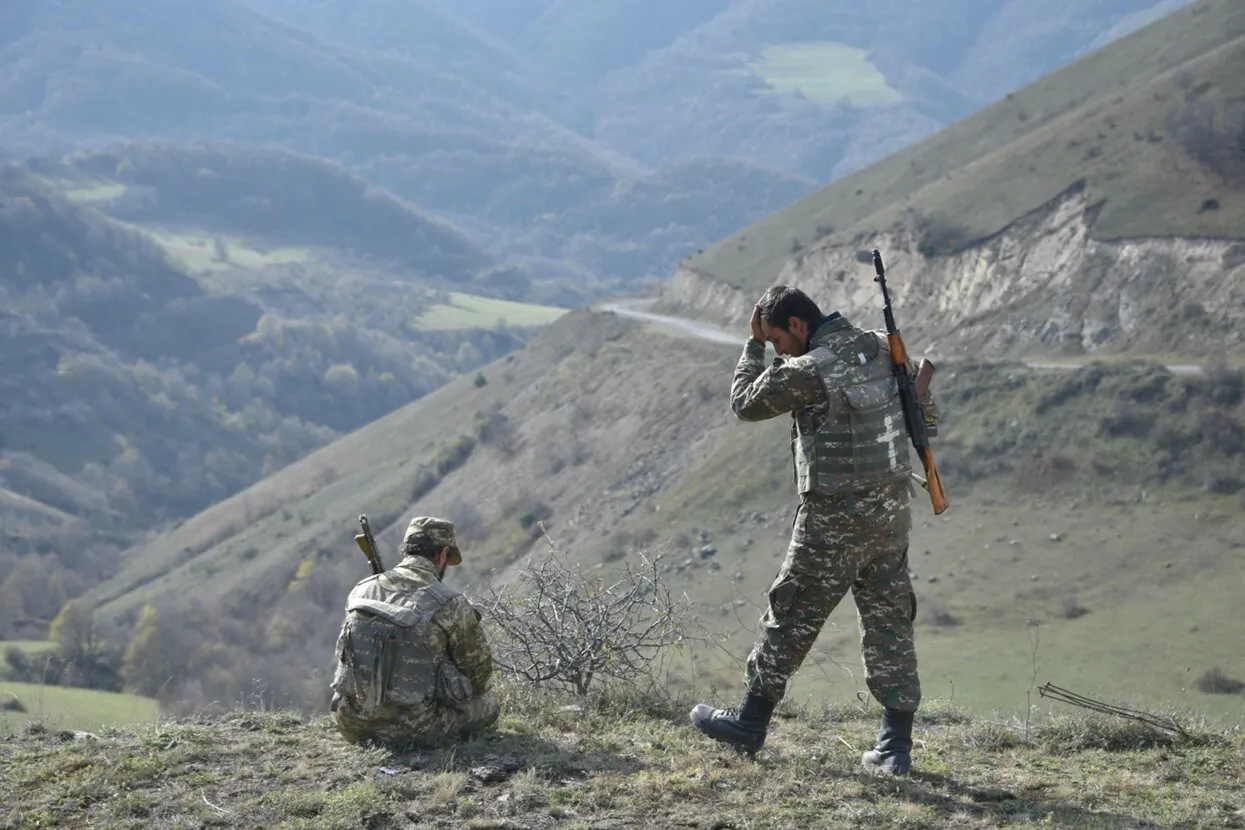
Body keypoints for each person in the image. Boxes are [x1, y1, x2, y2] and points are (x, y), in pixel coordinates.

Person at [689, 284, 939, 775]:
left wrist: (752, 345)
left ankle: (748, 724)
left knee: (791, 613)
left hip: (833, 520)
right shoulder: (880, 347)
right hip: (890, 513)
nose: (779, 350)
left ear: (798, 326)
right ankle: (895, 746)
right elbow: (924, 415)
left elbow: (745, 402)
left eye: (779, 339)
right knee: (890, 620)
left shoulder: (810, 370)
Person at [330, 516, 499, 748]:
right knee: (489, 703)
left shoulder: (360, 591)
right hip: (415, 732)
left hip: (351, 724)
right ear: (442, 555)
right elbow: (479, 677)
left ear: (405, 553)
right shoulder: (450, 604)